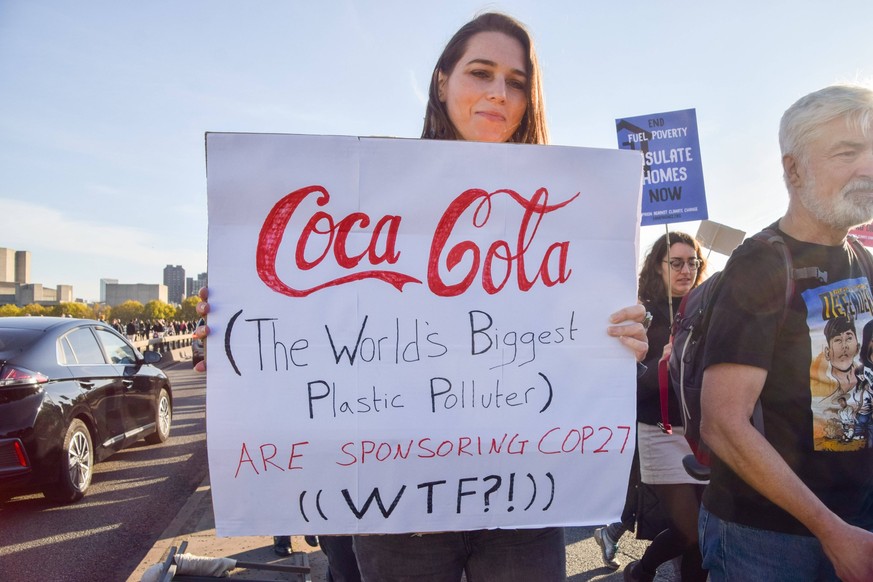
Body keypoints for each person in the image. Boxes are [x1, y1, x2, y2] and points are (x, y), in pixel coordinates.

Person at [194, 12, 649, 582]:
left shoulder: (570, 211)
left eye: (515, 82)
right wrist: (241, 320)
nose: (497, 94)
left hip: (524, 499)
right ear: (442, 81)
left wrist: (622, 337)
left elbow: (566, 337)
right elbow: (323, 325)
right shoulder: (374, 193)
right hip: (399, 509)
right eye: (480, 73)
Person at [698, 84, 873, 582]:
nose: (869, 166)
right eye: (848, 152)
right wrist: (830, 529)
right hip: (767, 536)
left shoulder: (863, 261)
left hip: (854, 520)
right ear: (793, 169)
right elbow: (724, 424)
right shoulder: (762, 262)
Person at [594, 233, 709, 580]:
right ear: (658, 266)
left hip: (700, 434)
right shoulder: (641, 315)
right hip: (659, 431)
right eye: (676, 262)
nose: (686, 269)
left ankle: (643, 572)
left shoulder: (704, 310)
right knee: (691, 528)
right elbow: (621, 385)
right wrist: (660, 368)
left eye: (693, 262)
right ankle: (639, 571)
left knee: (703, 528)